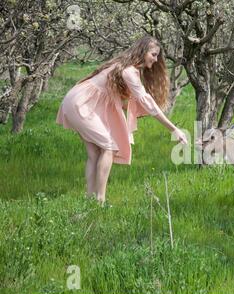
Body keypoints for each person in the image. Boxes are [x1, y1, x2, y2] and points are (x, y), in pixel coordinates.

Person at [56, 36, 188, 204]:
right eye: (153, 54)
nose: (155, 60)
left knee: (94, 152)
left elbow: (120, 99)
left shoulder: (123, 67)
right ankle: (100, 200)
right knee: (109, 147)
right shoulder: (129, 71)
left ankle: (89, 200)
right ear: (142, 51)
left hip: (74, 99)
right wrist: (173, 129)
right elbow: (147, 101)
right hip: (80, 103)